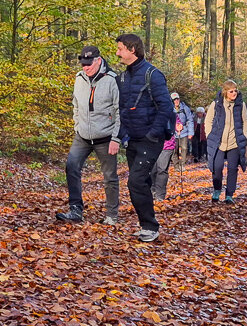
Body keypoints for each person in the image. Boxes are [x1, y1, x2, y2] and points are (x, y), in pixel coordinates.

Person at [114, 33, 174, 242]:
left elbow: (166, 107)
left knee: (135, 181)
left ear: (132, 49)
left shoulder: (153, 75)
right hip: (132, 139)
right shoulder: (122, 77)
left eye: (120, 48)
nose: (117, 52)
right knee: (142, 182)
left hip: (151, 139)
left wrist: (152, 134)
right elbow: (121, 108)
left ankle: (150, 227)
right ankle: (146, 225)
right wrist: (123, 134)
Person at [57, 44, 120, 225]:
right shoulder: (79, 78)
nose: (86, 67)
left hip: (106, 137)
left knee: (110, 177)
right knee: (71, 166)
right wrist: (77, 124)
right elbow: (75, 104)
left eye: (89, 64)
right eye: (83, 64)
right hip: (82, 136)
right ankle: (75, 210)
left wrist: (116, 138)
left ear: (98, 60)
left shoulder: (112, 80)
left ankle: (111, 215)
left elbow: (120, 111)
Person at [204, 79, 247, 202]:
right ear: (225, 92)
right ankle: (217, 190)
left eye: (235, 91)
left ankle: (229, 195)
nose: (234, 93)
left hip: (234, 142)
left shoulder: (241, 105)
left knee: (233, 168)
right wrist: (209, 135)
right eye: (231, 91)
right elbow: (208, 120)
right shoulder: (216, 104)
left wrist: (244, 135)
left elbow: (246, 121)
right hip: (219, 142)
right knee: (217, 167)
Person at [173, 92, 195, 164]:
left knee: (184, 148)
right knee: (174, 150)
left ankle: (183, 165)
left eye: (177, 99)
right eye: (174, 99)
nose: (176, 101)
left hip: (184, 132)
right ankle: (176, 165)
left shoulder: (185, 108)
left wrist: (190, 133)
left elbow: (190, 120)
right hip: (173, 133)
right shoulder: (169, 108)